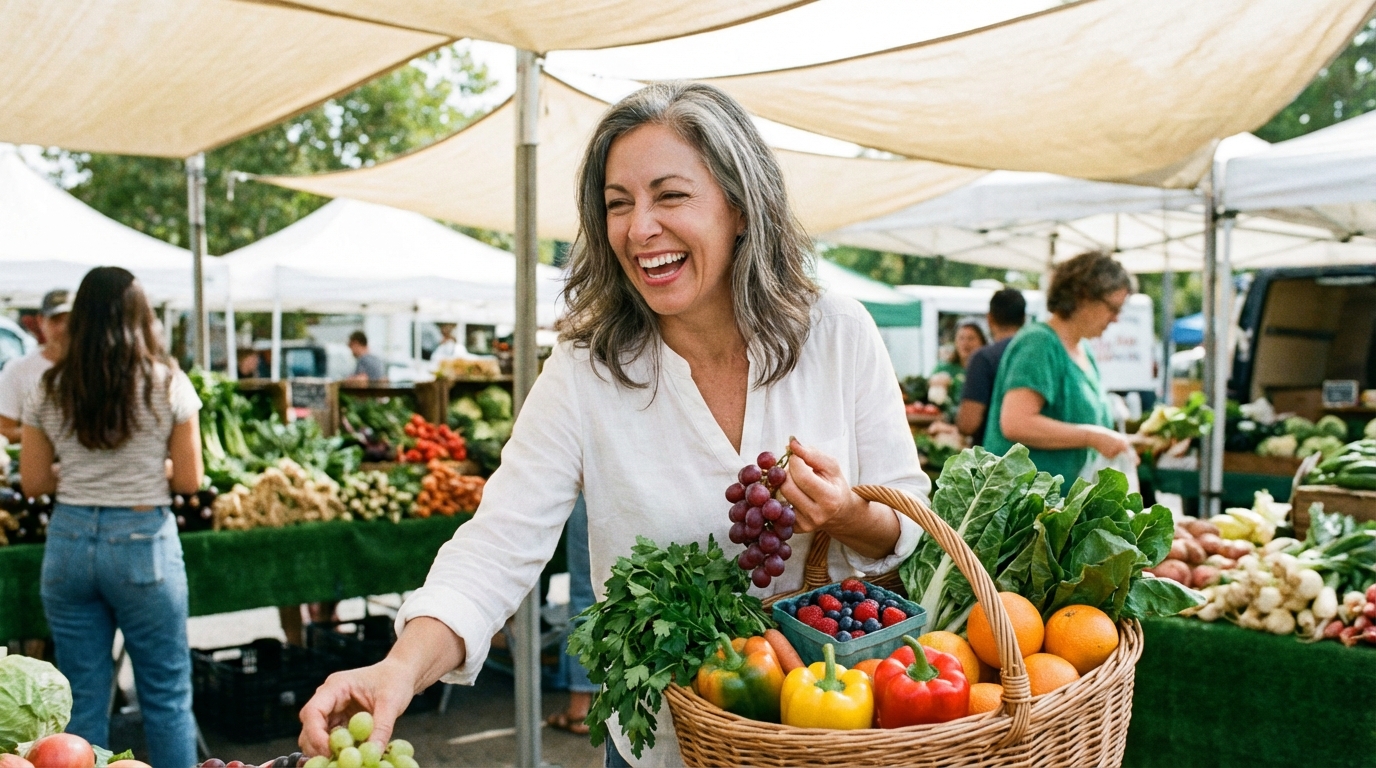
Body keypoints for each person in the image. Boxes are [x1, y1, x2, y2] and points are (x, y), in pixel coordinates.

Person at [298, 82, 929, 767]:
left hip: (832, 733)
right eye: (617, 204)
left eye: (670, 195)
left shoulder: (836, 333)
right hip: (661, 746)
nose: (638, 228)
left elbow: (909, 517)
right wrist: (400, 668)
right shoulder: (586, 365)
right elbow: (499, 544)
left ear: (741, 208)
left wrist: (845, 514)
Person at [20, 267, 203, 768]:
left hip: (70, 543)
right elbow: (189, 480)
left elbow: (33, 482)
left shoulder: (49, 386)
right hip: (144, 543)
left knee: (80, 702)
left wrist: (83, 472)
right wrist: (144, 467)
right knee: (165, 694)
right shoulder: (168, 383)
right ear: (140, 317)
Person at [984, 251, 1136, 493]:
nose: (1116, 319)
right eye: (1112, 308)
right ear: (1083, 297)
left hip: (1056, 508)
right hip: (1022, 508)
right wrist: (1092, 436)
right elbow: (1015, 423)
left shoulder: (1083, 349)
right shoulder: (1039, 343)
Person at [956, 288, 1027, 445]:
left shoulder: (984, 358)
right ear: (1024, 319)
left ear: (990, 319)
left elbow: (968, 424)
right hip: (1033, 458)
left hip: (993, 460)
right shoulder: (1037, 355)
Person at [0, 289, 71, 443]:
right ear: (40, 321)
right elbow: (4, 430)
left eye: (71, 320)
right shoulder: (18, 370)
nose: (63, 328)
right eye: (56, 320)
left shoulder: (99, 369)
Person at [932, 322, 986, 405]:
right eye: (961, 338)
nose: (965, 343)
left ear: (982, 342)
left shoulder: (988, 370)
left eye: (971, 338)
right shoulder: (942, 368)